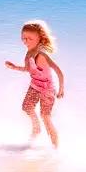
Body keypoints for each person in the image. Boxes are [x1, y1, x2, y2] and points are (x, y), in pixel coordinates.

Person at [5, 19, 65, 148]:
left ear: (40, 38)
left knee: (45, 116)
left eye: (29, 38)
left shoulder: (42, 55)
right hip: (35, 85)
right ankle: (36, 128)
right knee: (27, 106)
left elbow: (59, 71)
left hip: (47, 89)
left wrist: (61, 89)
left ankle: (56, 148)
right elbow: (29, 69)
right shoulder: (29, 53)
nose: (25, 42)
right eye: (23, 38)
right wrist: (15, 67)